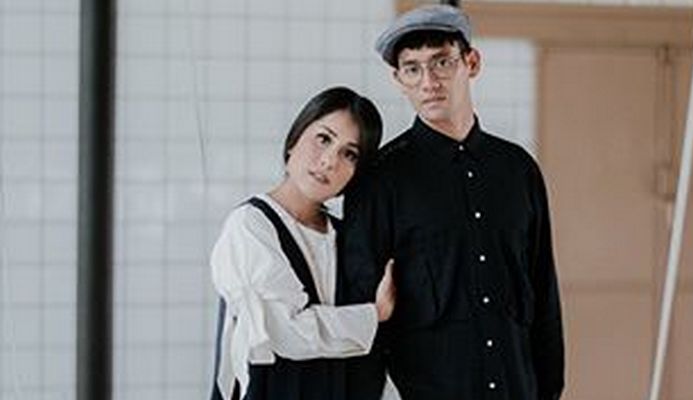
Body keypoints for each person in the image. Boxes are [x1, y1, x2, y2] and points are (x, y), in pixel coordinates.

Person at [339, 5, 565, 400]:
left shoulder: (518, 170)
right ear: (398, 79)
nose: (429, 82)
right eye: (413, 69)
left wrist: (548, 390)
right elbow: (361, 309)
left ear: (471, 63)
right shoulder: (379, 182)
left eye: (442, 62)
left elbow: (543, 291)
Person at [209, 86, 395, 400]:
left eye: (349, 154)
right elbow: (287, 329)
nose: (329, 161)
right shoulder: (251, 226)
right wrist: (373, 315)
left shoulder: (348, 237)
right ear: (294, 140)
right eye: (324, 138)